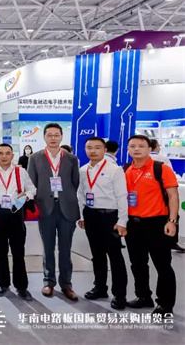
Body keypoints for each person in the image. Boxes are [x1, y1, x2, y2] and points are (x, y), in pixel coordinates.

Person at [123, 135, 179, 315]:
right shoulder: (125, 169)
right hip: (133, 224)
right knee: (137, 263)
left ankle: (165, 303)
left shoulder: (160, 168)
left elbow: (173, 195)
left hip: (156, 223)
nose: (136, 149)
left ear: (149, 149)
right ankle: (143, 296)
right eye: (132, 146)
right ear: (128, 149)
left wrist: (172, 221)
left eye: (141, 146)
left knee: (162, 265)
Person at [27, 123, 80, 301]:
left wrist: (67, 198)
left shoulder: (71, 158)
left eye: (56, 135)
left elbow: (75, 183)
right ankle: (49, 282)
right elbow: (31, 183)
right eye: (49, 135)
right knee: (48, 248)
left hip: (66, 209)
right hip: (45, 208)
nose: (53, 138)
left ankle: (66, 284)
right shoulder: (35, 158)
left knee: (66, 249)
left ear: (61, 137)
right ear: (44, 137)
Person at [76, 137, 128, 310]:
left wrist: (122, 221)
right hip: (91, 215)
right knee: (96, 254)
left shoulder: (115, 170)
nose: (93, 151)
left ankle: (119, 294)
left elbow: (122, 196)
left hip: (110, 216)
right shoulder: (83, 170)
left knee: (115, 256)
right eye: (89, 147)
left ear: (104, 150)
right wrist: (82, 216)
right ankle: (100, 287)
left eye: (97, 147)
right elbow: (81, 194)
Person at [0, 143, 36, 300]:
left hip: (15, 212)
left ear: (12, 155)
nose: (4, 156)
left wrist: (27, 195)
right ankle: (3, 283)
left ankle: (22, 286)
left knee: (18, 252)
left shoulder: (21, 172)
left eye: (7, 153)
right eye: (1, 153)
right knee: (1, 251)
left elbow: (32, 189)